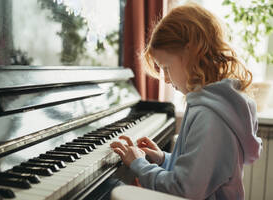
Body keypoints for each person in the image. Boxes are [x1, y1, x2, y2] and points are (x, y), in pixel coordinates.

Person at [110, 2, 262, 200]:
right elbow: (199, 172)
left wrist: (140, 164)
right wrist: (162, 159)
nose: (165, 78)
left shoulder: (211, 117)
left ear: (191, 53)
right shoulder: (209, 103)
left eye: (166, 67)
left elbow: (184, 190)